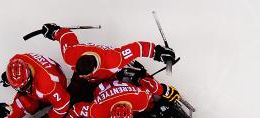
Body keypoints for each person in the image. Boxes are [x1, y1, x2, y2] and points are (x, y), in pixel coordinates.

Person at [38, 23, 176, 101]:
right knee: (72, 98)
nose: (82, 76)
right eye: (79, 73)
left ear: (94, 68)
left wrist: (158, 52)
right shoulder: (70, 55)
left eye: (84, 75)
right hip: (86, 80)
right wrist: (54, 31)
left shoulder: (113, 60)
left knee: (101, 99)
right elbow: (66, 36)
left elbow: (137, 48)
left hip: (105, 79)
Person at [2, 53, 71, 118]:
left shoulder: (48, 86)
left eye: (24, 87)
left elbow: (63, 105)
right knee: (21, 101)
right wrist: (10, 76)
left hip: (57, 85)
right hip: (49, 72)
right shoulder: (17, 60)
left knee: (25, 103)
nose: (20, 90)